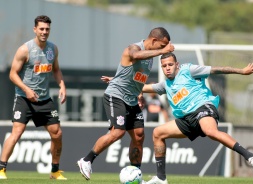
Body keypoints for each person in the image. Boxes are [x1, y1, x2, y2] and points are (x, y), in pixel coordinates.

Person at [142, 52, 253, 184]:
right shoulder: (165, 85)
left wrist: (241, 71)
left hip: (203, 107)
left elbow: (217, 69)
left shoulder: (188, 70)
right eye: (164, 66)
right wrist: (119, 84)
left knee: (210, 132)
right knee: (158, 133)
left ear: (177, 64)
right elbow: (143, 88)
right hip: (187, 119)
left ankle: (250, 156)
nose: (167, 68)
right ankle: (161, 178)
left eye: (170, 64)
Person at [77, 27, 174, 180]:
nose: (163, 50)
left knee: (139, 135)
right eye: (162, 46)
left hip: (131, 99)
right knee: (118, 132)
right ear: (154, 41)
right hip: (116, 96)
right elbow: (135, 55)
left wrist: (140, 93)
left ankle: (135, 174)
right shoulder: (134, 48)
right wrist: (162, 51)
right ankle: (87, 160)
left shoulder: (150, 57)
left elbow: (137, 77)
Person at [0, 15, 67, 180]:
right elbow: (12, 74)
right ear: (35, 29)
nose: (44, 32)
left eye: (47, 29)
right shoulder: (25, 49)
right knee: (17, 132)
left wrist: (62, 85)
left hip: (44, 99)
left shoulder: (53, 49)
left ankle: (55, 171)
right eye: (42, 29)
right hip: (24, 98)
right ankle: (1, 169)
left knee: (57, 133)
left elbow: (56, 69)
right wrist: (26, 89)